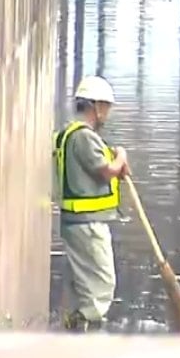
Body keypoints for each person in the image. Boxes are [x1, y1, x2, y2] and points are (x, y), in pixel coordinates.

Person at [53, 76, 131, 332]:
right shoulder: (84, 138)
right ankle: (85, 330)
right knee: (102, 284)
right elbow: (106, 170)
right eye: (106, 106)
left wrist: (117, 165)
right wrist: (121, 157)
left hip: (79, 223)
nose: (107, 113)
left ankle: (76, 328)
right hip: (87, 225)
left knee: (88, 285)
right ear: (95, 106)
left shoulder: (71, 134)